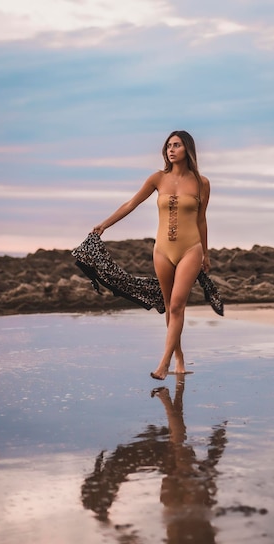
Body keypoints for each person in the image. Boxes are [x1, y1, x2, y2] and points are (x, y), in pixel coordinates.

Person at [92, 130, 211, 380]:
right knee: (169, 307)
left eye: (177, 145)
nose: (171, 149)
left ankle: (163, 364)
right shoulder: (158, 178)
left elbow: (201, 220)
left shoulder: (202, 183)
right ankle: (178, 359)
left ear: (187, 149)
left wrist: (206, 254)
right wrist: (105, 224)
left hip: (191, 248)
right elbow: (131, 203)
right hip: (162, 251)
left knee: (178, 304)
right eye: (168, 145)